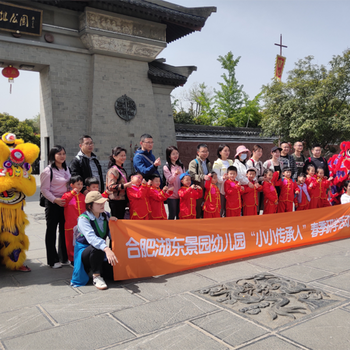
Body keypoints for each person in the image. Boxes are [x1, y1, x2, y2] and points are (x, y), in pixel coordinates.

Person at [71, 191, 118, 290]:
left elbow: (112, 235)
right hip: (86, 252)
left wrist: (115, 225)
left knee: (116, 275)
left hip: (101, 252)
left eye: (103, 202)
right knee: (97, 247)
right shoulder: (83, 219)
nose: (102, 205)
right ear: (90, 206)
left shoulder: (106, 215)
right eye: (98, 203)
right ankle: (96, 276)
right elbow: (92, 238)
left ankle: (99, 268)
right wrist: (106, 249)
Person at [40, 145, 70, 268]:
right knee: (51, 231)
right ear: (53, 156)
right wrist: (55, 200)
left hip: (65, 202)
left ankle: (63, 257)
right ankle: (52, 260)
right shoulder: (48, 171)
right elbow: (44, 189)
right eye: (59, 154)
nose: (62, 156)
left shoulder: (66, 168)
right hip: (52, 203)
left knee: (64, 230)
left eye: (63, 153)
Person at [61, 175, 86, 263]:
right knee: (70, 243)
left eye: (81, 184)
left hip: (81, 224)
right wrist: (72, 193)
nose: (80, 186)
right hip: (70, 224)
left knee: (81, 242)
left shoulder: (83, 196)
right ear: (71, 185)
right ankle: (71, 259)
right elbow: (63, 203)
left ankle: (80, 258)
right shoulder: (67, 195)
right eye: (78, 184)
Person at [106, 147, 133, 219]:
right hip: (116, 201)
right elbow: (110, 187)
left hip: (122, 200)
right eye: (121, 155)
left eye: (124, 155)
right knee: (117, 221)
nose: (124, 157)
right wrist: (125, 185)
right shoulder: (113, 170)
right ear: (114, 156)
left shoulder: (121, 169)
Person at [188, 143, 212, 218]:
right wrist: (203, 177)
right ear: (198, 152)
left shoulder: (208, 163)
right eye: (203, 151)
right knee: (198, 208)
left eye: (207, 151)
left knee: (206, 208)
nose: (205, 153)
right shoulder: (194, 162)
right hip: (198, 190)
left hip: (207, 189)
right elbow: (192, 175)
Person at [163, 146, 185, 220]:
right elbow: (170, 180)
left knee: (180, 215)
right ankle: (170, 231)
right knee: (172, 215)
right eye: (173, 154)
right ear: (169, 156)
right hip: (171, 194)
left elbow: (184, 178)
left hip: (181, 194)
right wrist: (175, 174)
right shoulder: (166, 167)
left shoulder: (181, 165)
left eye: (177, 153)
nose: (176, 155)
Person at [212, 144, 234, 217]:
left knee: (229, 208)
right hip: (221, 189)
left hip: (231, 188)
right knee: (221, 208)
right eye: (225, 150)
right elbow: (216, 177)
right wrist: (223, 178)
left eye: (228, 150)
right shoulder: (217, 163)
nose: (227, 152)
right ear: (220, 152)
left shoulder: (231, 162)